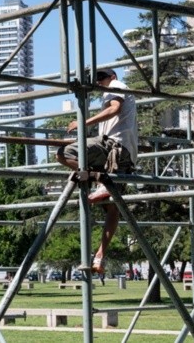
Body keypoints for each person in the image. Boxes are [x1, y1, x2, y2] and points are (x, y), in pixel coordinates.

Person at [56, 67, 138, 275]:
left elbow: (114, 109)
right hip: (125, 155)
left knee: (63, 153)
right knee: (113, 208)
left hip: (113, 147)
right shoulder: (119, 90)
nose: (99, 81)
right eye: (97, 78)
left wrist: (83, 123)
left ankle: (98, 179)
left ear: (113, 77)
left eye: (102, 77)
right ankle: (100, 256)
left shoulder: (116, 86)